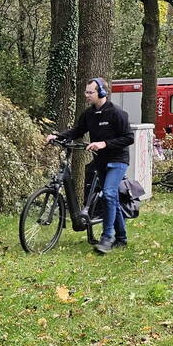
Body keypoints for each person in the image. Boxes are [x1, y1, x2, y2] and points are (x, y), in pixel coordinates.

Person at [45, 78, 134, 253]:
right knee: (112, 199)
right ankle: (121, 238)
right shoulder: (88, 114)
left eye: (90, 92)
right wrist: (58, 136)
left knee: (108, 194)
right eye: (86, 92)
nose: (87, 95)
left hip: (117, 160)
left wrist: (104, 144)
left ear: (101, 93)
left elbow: (128, 138)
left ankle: (107, 237)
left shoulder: (117, 113)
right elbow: (77, 131)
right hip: (100, 161)